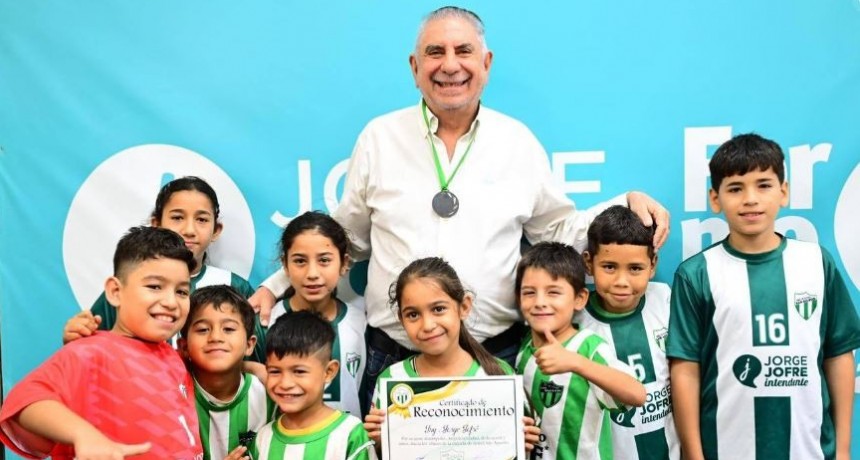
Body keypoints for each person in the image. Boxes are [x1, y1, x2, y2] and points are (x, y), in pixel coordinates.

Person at [250, 5, 670, 414]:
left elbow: (556, 229)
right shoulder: (379, 138)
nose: (450, 65)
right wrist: (275, 284)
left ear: (486, 63)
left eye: (463, 51)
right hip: (396, 356)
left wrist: (625, 202)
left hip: (494, 354)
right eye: (435, 52)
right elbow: (344, 240)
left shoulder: (516, 141)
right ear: (415, 67)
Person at [667, 133, 860, 460]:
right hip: (726, 449)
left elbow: (838, 354)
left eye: (764, 185)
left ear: (783, 192)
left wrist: (842, 450)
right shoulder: (697, 273)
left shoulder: (816, 262)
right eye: (735, 188)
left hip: (808, 450)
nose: (750, 199)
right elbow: (686, 369)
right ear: (715, 199)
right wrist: (694, 455)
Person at [0, 226, 203, 459]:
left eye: (181, 292)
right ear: (115, 291)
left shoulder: (173, 358)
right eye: (154, 286)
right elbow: (24, 401)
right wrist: (84, 435)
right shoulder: (91, 351)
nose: (170, 301)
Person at [63, 176, 267, 362]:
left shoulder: (235, 285)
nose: (189, 230)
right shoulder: (130, 285)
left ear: (216, 230)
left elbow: (255, 360)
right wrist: (77, 336)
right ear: (156, 223)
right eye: (177, 217)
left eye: (202, 220)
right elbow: (88, 346)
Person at [363, 257, 540, 456]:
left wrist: (520, 444)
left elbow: (514, 449)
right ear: (401, 320)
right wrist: (379, 441)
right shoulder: (392, 379)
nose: (428, 325)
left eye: (438, 309)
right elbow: (382, 453)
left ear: (464, 307)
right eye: (413, 314)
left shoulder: (498, 375)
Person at [516, 241, 646, 460]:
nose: (539, 302)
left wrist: (576, 363)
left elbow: (637, 394)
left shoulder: (590, 348)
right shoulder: (524, 351)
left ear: (579, 299)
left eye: (553, 292)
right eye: (529, 292)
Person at [576, 205, 678, 459]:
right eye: (609, 267)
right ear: (589, 263)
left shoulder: (665, 301)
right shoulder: (575, 321)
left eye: (635, 268)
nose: (622, 281)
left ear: (652, 265)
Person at [267, 211, 367, 417]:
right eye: (300, 261)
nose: (312, 273)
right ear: (285, 265)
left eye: (324, 260)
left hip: (347, 445)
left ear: (344, 263)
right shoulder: (266, 321)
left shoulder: (363, 324)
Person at [252, 310, 376, 459]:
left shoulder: (351, 434)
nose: (285, 383)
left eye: (299, 371)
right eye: (275, 371)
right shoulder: (262, 438)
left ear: (329, 371)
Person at [178, 285, 277, 460]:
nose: (216, 337)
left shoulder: (269, 395)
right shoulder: (174, 395)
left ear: (249, 345)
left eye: (229, 329)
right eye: (203, 329)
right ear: (184, 346)